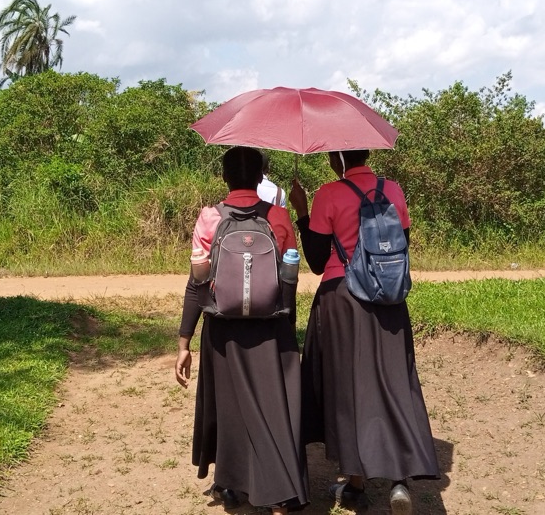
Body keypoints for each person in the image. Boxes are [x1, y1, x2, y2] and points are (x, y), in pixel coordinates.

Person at [288, 150, 439, 515]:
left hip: (344, 299)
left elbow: (317, 260)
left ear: (337, 159)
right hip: (390, 299)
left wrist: (302, 210)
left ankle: (356, 481)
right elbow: (403, 242)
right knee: (395, 381)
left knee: (348, 387)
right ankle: (399, 479)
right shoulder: (394, 190)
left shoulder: (329, 193)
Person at [175, 146, 308, 514]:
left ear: (224, 177)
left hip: (222, 330)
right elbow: (290, 280)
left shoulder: (208, 219)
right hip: (272, 330)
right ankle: (281, 493)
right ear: (261, 177)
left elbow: (196, 285)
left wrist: (184, 341)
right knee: (275, 409)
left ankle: (232, 482)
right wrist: (287, 332)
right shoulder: (279, 217)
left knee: (230, 408)